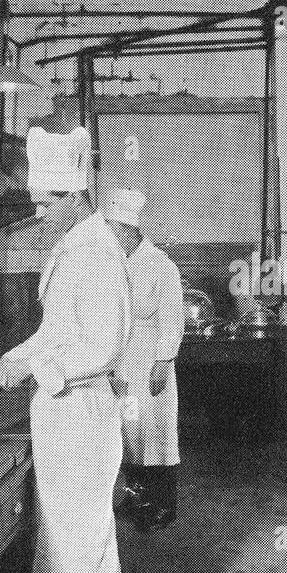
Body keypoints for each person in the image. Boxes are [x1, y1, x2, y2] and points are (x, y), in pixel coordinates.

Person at [0, 124, 134, 573]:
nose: (39, 215)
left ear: (75, 197)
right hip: (65, 410)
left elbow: (102, 346)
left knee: (80, 531)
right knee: (82, 530)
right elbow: (55, 332)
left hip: (82, 411)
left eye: (46, 204)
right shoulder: (75, 247)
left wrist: (35, 369)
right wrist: (9, 360)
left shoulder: (96, 253)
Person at [104, 189, 183, 532]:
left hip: (150, 356)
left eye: (116, 230)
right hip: (121, 358)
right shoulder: (111, 264)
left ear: (130, 230)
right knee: (129, 433)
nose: (113, 236)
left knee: (157, 432)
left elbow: (172, 317)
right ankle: (137, 501)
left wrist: (164, 362)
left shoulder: (161, 265)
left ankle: (163, 505)